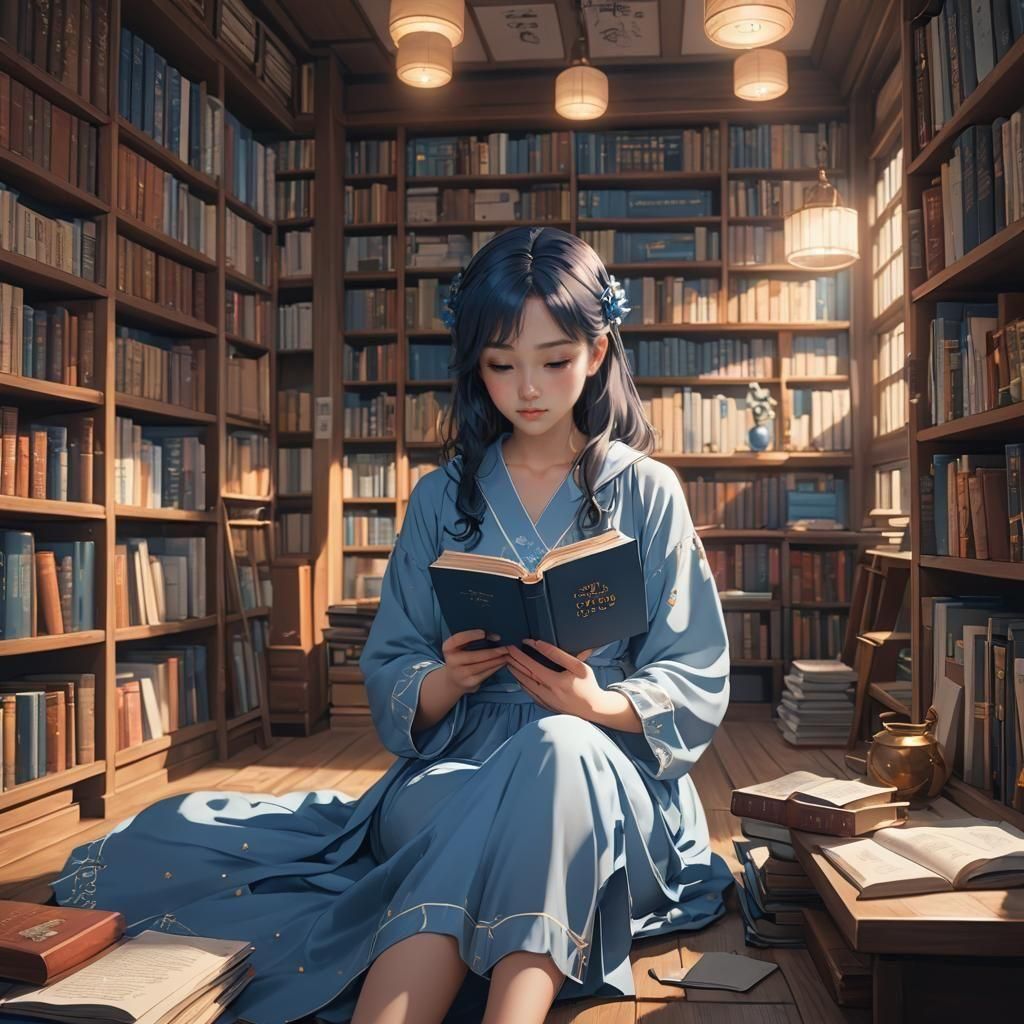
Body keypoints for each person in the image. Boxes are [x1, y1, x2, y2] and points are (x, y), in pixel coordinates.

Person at [47, 226, 731, 1024]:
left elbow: (694, 667)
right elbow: (392, 660)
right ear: (476, 364)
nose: (530, 388)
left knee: (560, 747)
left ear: (600, 350)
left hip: (606, 771)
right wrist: (446, 679)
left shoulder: (645, 490)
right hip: (459, 764)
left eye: (556, 360)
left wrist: (596, 703)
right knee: (498, 802)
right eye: (502, 363)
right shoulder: (442, 498)